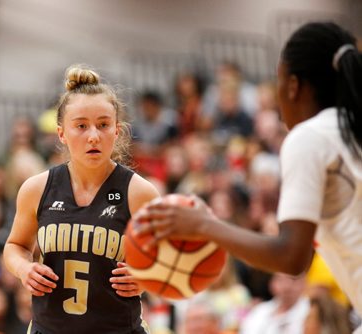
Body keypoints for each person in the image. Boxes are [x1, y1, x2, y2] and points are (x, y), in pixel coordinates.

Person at [136, 22, 362, 333]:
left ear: (293, 85)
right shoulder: (347, 129)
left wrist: (203, 225)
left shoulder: (310, 137)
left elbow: (290, 257)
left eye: (277, 82)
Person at [3, 64, 160, 334]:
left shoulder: (140, 193)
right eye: (81, 126)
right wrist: (23, 269)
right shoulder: (36, 189)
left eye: (103, 125)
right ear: (62, 133)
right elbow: (15, 245)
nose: (93, 136)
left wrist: (148, 277)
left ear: (117, 131)